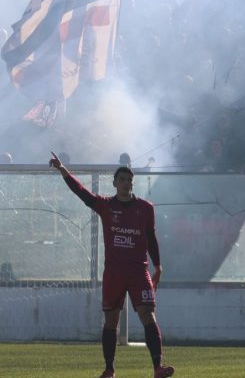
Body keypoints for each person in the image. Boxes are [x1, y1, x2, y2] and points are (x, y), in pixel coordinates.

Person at [49, 152, 174, 378]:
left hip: (138, 271)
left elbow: (151, 237)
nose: (126, 183)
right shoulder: (105, 205)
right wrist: (62, 170)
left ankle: (158, 367)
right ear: (115, 183)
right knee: (111, 319)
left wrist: (158, 265)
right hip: (114, 273)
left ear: (132, 183)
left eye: (129, 180)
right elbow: (82, 193)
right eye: (122, 179)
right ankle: (109, 369)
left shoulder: (145, 208)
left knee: (148, 313)